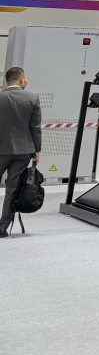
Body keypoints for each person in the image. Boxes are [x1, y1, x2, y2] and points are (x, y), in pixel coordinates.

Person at [0, 66, 42, 236]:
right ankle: (2, 227)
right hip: (23, 151)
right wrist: (37, 149)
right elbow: (35, 127)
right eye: (26, 78)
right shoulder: (32, 98)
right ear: (21, 79)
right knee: (12, 189)